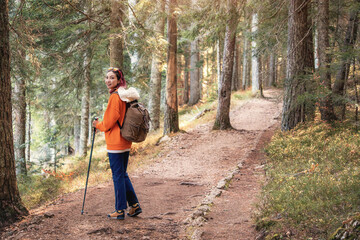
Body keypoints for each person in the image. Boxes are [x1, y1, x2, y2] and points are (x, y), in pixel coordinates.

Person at [92, 67, 142, 220]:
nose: (108, 80)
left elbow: (108, 123)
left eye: (112, 78)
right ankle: (134, 206)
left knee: (118, 176)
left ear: (119, 80)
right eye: (107, 77)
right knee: (122, 174)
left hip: (116, 142)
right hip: (125, 141)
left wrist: (97, 125)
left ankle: (120, 210)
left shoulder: (115, 97)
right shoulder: (124, 96)